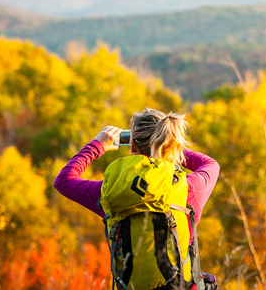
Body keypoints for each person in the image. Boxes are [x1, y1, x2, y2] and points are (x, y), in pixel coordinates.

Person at [54, 108, 219, 289]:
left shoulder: (109, 193)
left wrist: (97, 146)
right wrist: (170, 148)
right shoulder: (189, 187)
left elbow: (63, 181)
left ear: (132, 145)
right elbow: (209, 164)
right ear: (171, 143)